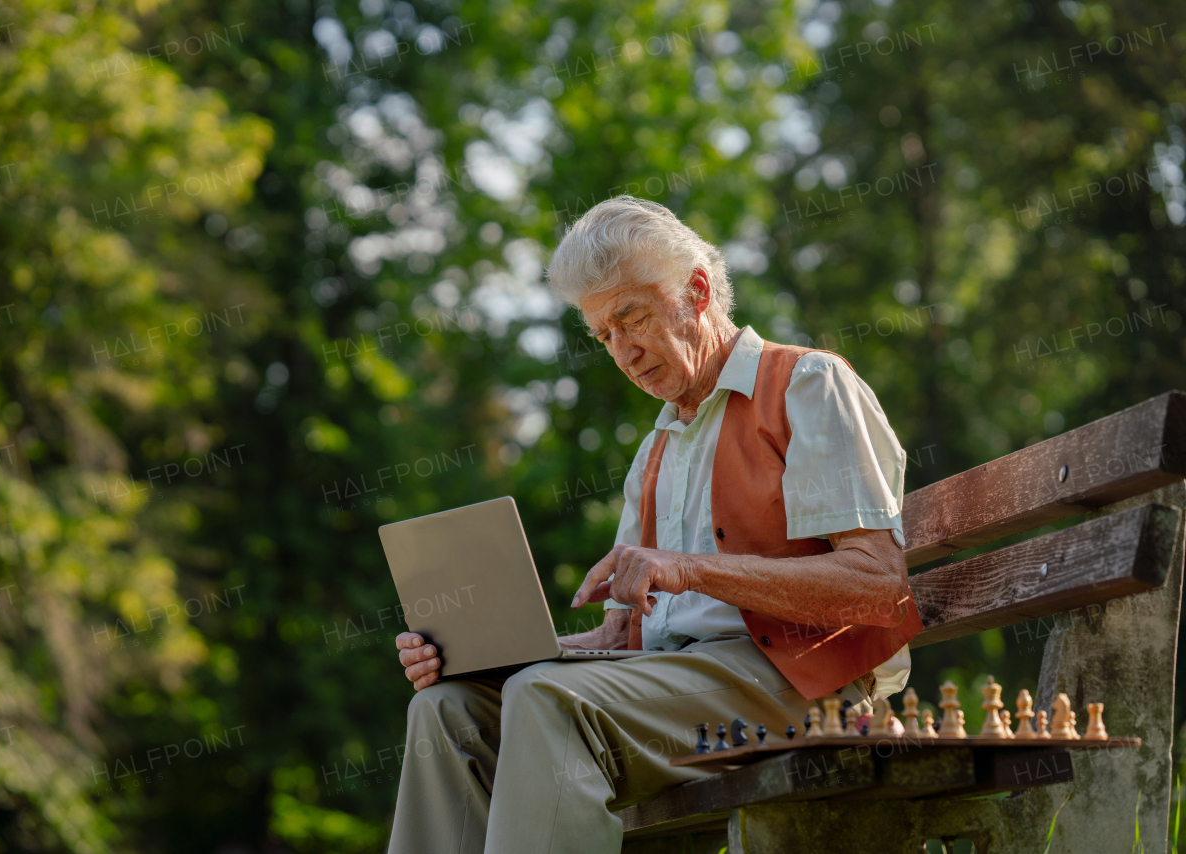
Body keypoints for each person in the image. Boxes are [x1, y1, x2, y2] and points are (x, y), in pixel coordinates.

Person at [387, 196, 921, 854]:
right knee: (446, 710)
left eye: (630, 318)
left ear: (696, 291)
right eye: (604, 335)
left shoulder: (808, 385)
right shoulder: (657, 450)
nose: (623, 351)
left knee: (547, 700)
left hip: (801, 688)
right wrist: (475, 657)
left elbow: (876, 585)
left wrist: (691, 569)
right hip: (681, 688)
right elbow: (622, 638)